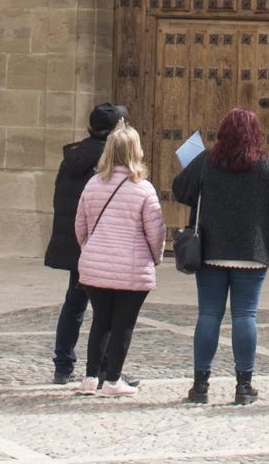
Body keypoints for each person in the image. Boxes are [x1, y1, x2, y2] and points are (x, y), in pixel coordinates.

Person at [172, 108, 269, 405]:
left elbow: (180, 189)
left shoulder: (206, 161)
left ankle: (200, 386)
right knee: (245, 316)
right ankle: (244, 385)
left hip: (212, 251)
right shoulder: (267, 166)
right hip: (251, 253)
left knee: (209, 315)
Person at [43, 102, 136, 386]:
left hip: (76, 243)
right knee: (106, 311)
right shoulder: (107, 163)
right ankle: (106, 370)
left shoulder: (73, 155)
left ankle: (63, 364)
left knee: (75, 302)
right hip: (101, 245)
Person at [75, 123, 165, 397]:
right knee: (123, 324)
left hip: (95, 267)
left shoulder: (92, 184)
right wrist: (156, 257)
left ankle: (91, 378)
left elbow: (80, 226)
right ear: (135, 152)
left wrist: (91, 250)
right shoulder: (144, 189)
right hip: (131, 267)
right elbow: (156, 231)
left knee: (100, 321)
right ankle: (113, 380)